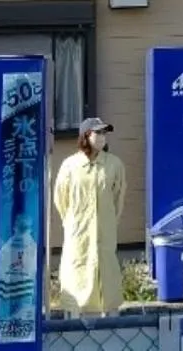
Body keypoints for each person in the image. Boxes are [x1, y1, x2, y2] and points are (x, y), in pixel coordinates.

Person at [53, 117, 127, 315]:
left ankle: (110, 321)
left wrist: (109, 222)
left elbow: (118, 199)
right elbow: (61, 200)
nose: (103, 137)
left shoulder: (114, 165)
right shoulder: (70, 166)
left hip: (105, 233)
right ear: (86, 135)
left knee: (106, 277)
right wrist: (71, 223)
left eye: (105, 133)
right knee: (78, 276)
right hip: (79, 234)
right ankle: (75, 320)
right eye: (98, 133)